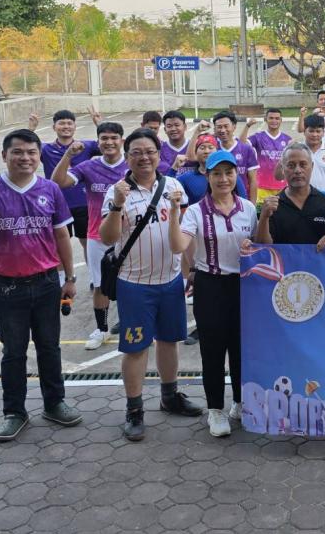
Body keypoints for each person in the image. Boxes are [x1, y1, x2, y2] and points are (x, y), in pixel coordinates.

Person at [0, 128, 82, 442]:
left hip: (47, 282)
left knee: (49, 347)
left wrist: (69, 278)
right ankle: (14, 412)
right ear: (4, 156)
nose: (25, 158)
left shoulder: (50, 189)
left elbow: (61, 235)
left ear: (39, 157)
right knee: (13, 352)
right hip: (8, 287)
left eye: (31, 152)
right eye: (18, 152)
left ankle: (54, 403)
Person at [99, 128, 203, 442]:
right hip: (135, 285)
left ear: (159, 155)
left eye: (150, 152)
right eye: (136, 153)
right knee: (136, 348)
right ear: (127, 157)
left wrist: (190, 270)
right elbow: (107, 237)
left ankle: (170, 396)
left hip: (170, 281)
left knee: (170, 341)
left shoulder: (173, 186)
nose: (144, 158)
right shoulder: (117, 191)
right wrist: (117, 206)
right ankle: (134, 409)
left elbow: (184, 233)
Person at [171, 150, 257, 437]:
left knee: (242, 348)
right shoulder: (196, 211)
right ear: (207, 176)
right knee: (213, 350)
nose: (223, 179)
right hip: (211, 285)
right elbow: (178, 245)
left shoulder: (248, 208)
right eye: (217, 173)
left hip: (243, 286)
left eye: (228, 172)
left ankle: (240, 403)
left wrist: (252, 246)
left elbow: (260, 244)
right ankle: (216, 410)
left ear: (236, 174)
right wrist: (174, 213)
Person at [50, 121, 128, 350]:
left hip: (129, 236)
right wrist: (68, 155)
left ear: (122, 141)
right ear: (98, 142)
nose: (109, 142)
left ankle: (133, 324)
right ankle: (102, 329)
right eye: (104, 138)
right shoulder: (88, 167)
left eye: (114, 138)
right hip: (97, 236)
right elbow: (57, 182)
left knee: (132, 284)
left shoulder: (132, 165)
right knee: (100, 284)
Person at [27, 109, 101, 260]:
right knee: (59, 247)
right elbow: (26, 147)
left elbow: (108, 144)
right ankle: (63, 275)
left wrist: (99, 124)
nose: (66, 126)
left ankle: (93, 274)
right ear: (54, 127)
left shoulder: (85, 146)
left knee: (88, 243)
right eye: (61, 123)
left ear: (75, 127)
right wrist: (31, 129)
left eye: (69, 123)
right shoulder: (46, 149)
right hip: (57, 205)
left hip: (83, 204)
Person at [253, 142, 325, 247]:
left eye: (303, 164)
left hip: (319, 258)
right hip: (283, 258)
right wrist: (264, 217)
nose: (297, 170)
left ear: (312, 166)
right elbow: (262, 247)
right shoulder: (272, 205)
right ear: (282, 169)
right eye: (291, 165)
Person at [177, 134, 248, 204]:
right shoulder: (186, 178)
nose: (206, 151)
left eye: (210, 148)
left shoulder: (231, 176)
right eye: (202, 148)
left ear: (217, 151)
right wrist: (174, 168)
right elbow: (171, 191)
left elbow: (243, 201)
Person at [285, 113, 325, 195]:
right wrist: (285, 151)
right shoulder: (295, 151)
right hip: (301, 198)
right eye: (311, 131)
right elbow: (279, 176)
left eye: (318, 131)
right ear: (304, 131)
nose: (315, 135)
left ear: (323, 132)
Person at [240, 109, 291, 202]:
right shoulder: (258, 137)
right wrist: (247, 126)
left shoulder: (287, 139)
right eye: (271, 118)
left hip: (282, 186)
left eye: (277, 118)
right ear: (265, 119)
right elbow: (241, 143)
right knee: (262, 211)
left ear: (281, 120)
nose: (274, 121)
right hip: (262, 187)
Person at [211, 110, 259, 198]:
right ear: (215, 129)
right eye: (219, 127)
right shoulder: (211, 149)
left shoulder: (246, 149)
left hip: (242, 199)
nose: (223, 130)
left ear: (234, 126)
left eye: (226, 126)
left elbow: (253, 180)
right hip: (217, 200)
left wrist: (252, 204)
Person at [157, 110, 191, 175]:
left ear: (185, 127)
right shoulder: (159, 150)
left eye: (177, 125)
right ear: (165, 129)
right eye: (169, 126)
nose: (173, 129)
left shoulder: (194, 146)